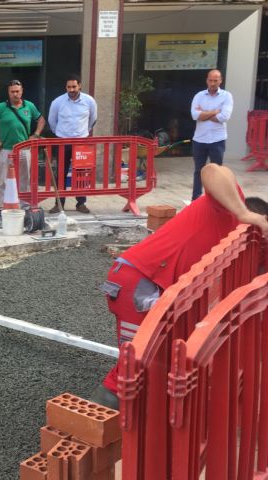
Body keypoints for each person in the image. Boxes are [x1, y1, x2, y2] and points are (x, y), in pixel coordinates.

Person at [92, 164, 268, 409]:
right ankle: (93, 423)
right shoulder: (226, 209)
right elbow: (212, 171)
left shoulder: (253, 247)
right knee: (136, 360)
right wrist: (243, 213)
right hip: (140, 282)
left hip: (165, 290)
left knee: (167, 356)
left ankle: (145, 420)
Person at [0, 79, 46, 217]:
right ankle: (2, 206)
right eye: (12, 92)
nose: (15, 94)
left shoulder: (29, 106)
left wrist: (35, 134)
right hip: (6, 149)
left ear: (22, 92)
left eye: (17, 91)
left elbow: (41, 120)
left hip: (24, 148)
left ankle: (25, 205)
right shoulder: (1, 107)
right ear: (8, 93)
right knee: (4, 179)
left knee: (24, 178)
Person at [47, 74, 97, 214]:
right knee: (60, 173)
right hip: (63, 142)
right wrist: (61, 135)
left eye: (74, 86)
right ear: (66, 87)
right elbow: (52, 122)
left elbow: (93, 119)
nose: (72, 89)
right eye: (69, 87)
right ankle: (58, 204)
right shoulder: (58, 102)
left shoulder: (89, 101)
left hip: (81, 142)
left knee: (81, 174)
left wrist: (84, 132)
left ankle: (81, 203)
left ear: (79, 85)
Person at [190, 69, 234, 200]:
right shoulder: (199, 95)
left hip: (217, 139)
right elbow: (194, 115)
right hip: (200, 139)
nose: (213, 83)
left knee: (217, 171)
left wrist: (204, 113)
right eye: (210, 80)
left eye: (216, 80)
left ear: (221, 81)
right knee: (199, 170)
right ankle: (196, 198)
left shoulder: (226, 96)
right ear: (207, 80)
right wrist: (215, 111)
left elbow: (224, 117)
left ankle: (215, 199)